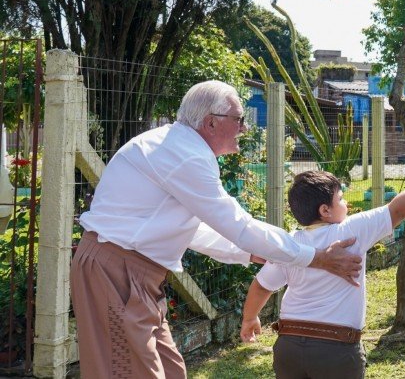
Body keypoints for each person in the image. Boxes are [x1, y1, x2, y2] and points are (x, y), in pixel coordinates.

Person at [71, 80, 363, 379]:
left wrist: (249, 252)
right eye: (239, 119)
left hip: (130, 271)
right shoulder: (186, 155)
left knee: (170, 371)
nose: (245, 129)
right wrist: (314, 256)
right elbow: (238, 224)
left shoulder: (180, 147)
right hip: (117, 271)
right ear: (211, 122)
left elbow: (192, 229)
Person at [239, 165, 405, 379]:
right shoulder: (351, 231)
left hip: (288, 347)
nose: (347, 203)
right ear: (325, 210)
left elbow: (262, 285)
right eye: (340, 198)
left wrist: (250, 318)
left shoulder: (289, 245)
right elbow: (397, 210)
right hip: (336, 350)